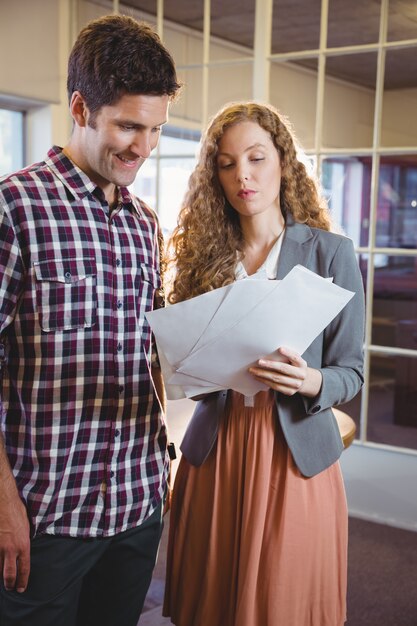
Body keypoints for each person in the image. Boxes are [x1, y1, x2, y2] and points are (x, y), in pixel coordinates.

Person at [0, 14, 180, 626]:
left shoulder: (144, 224)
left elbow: (148, 355)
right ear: (81, 107)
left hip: (136, 507)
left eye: (156, 129)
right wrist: (3, 506)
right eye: (128, 125)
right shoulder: (14, 209)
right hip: (46, 517)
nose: (144, 148)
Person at [163, 101, 365, 626]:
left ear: (283, 162)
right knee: (213, 603)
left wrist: (311, 379)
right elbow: (183, 369)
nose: (243, 176)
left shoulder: (330, 253)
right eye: (226, 164)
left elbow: (351, 369)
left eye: (256, 158)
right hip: (218, 449)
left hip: (294, 455)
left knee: (283, 605)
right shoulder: (202, 259)